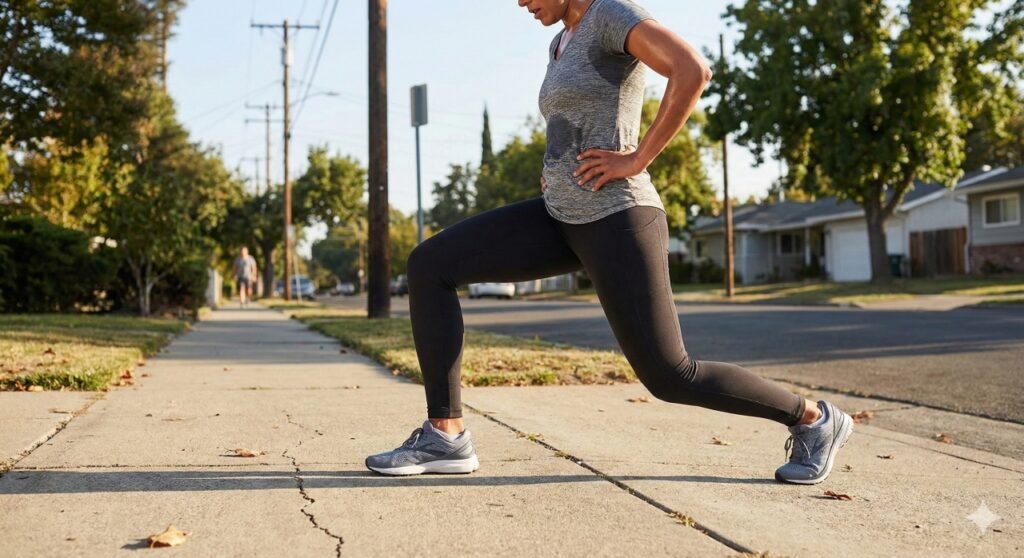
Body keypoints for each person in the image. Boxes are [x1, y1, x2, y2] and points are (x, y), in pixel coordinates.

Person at [366, 0, 853, 484]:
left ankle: (814, 419)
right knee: (431, 264)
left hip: (617, 215)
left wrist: (637, 158)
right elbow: (578, 120)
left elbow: (692, 70)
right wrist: (554, 168)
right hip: (559, 216)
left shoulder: (610, 14)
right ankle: (446, 435)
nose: (521, 2)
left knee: (670, 375)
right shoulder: (560, 42)